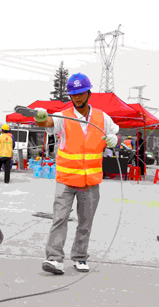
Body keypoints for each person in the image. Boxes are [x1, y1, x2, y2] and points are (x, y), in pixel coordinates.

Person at [33, 72, 120, 274]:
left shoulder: (102, 118)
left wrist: (116, 139)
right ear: (70, 96)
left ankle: (80, 257)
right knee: (59, 219)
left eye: (81, 93)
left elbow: (116, 133)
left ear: (89, 93)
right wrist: (40, 117)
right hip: (66, 180)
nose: (77, 97)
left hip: (90, 181)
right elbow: (46, 124)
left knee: (85, 222)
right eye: (74, 94)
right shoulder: (63, 116)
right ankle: (54, 259)